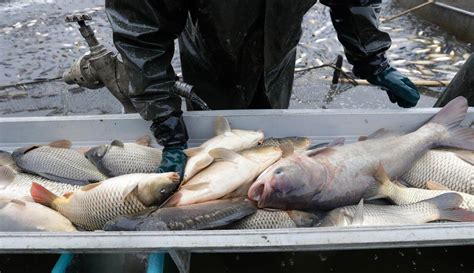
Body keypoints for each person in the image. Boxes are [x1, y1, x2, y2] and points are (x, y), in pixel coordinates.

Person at [105, 0, 420, 176]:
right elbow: (141, 34)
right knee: (215, 137)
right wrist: (165, 120)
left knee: (271, 134)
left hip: (278, 53)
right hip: (209, 51)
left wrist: (371, 57)